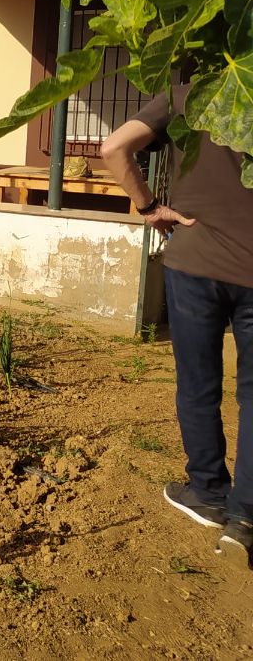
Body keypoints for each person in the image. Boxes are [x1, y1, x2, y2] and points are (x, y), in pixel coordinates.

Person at [100, 84, 253, 570]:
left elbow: (113, 148)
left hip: (195, 261)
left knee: (198, 385)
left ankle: (208, 492)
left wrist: (149, 207)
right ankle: (246, 517)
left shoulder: (190, 89)